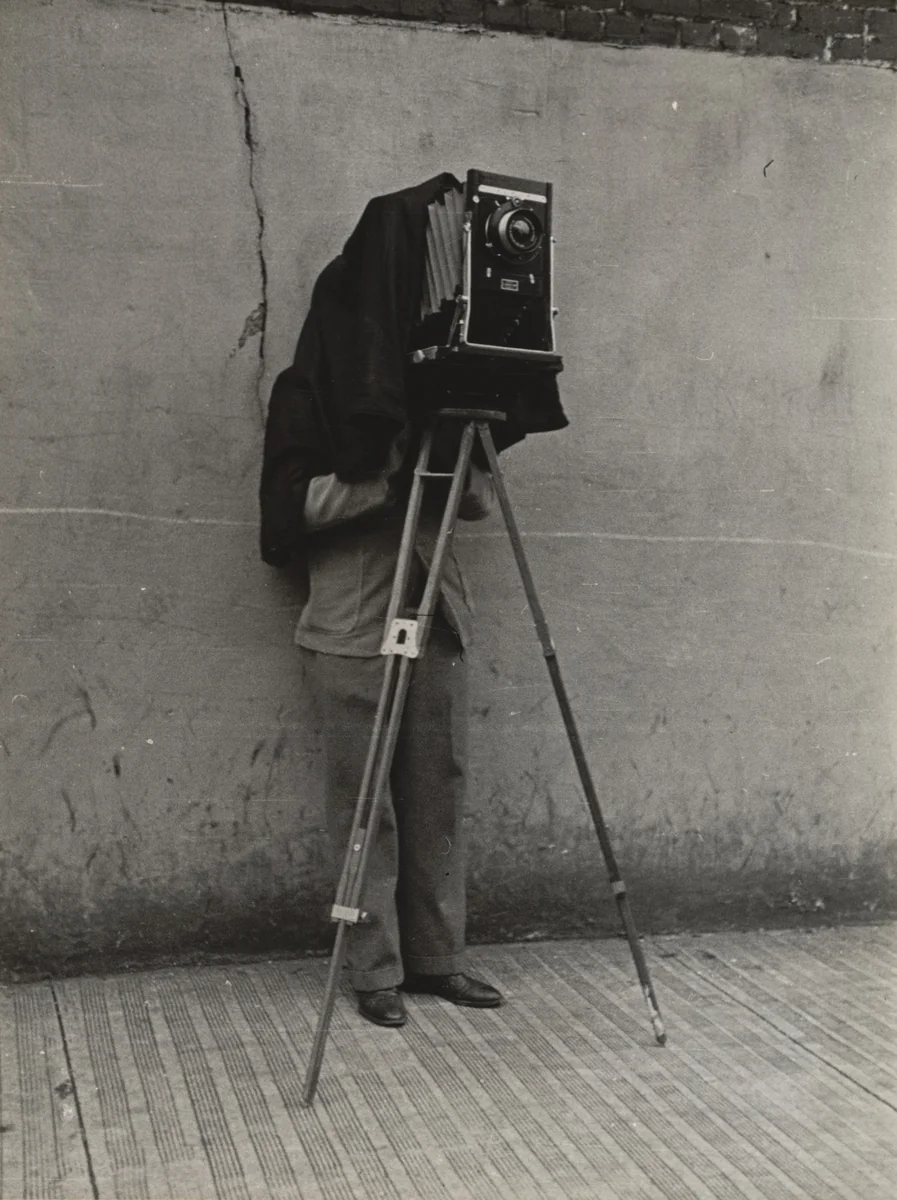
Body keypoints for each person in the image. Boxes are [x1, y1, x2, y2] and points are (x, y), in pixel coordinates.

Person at [295, 423, 504, 1027]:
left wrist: (443, 441)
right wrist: (386, 461)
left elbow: (481, 502)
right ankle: (374, 969)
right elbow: (295, 508)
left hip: (436, 618)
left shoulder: (447, 398)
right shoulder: (314, 394)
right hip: (354, 622)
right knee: (365, 802)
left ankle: (439, 958)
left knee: (440, 790)